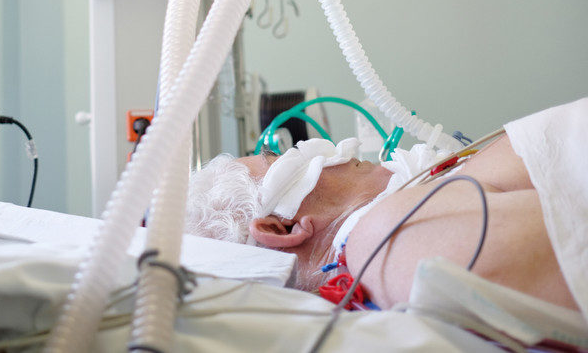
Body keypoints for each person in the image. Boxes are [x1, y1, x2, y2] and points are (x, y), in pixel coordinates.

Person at [185, 101, 584, 313]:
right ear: (283, 229)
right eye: (277, 158)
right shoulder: (387, 245)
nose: (310, 147)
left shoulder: (401, 219)